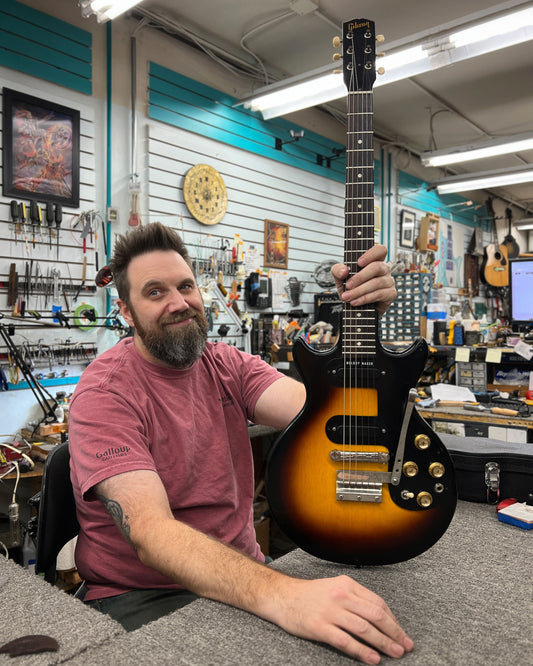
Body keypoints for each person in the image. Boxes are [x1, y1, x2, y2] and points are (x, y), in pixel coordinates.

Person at [69, 222, 410, 665]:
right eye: (155, 292)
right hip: (143, 595)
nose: (179, 303)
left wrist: (366, 321)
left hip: (242, 572)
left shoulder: (224, 363)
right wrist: (286, 596)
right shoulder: (105, 394)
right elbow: (152, 535)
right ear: (127, 312)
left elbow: (336, 418)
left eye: (186, 286)